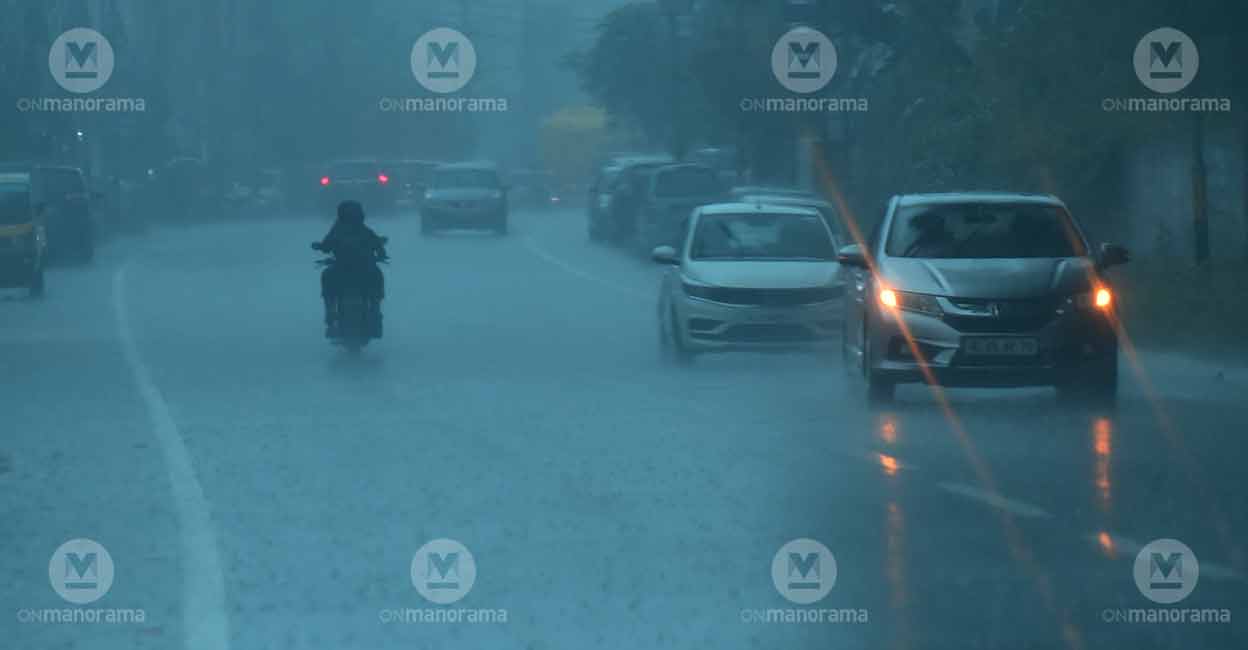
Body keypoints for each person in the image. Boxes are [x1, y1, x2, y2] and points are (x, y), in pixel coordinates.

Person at [313, 200, 387, 336]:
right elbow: (379, 246)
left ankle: (331, 313)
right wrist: (382, 254)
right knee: (377, 276)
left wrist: (320, 246)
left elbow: (325, 246)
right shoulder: (363, 230)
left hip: (344, 271)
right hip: (362, 270)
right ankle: (374, 312)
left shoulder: (338, 230)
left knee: (327, 277)